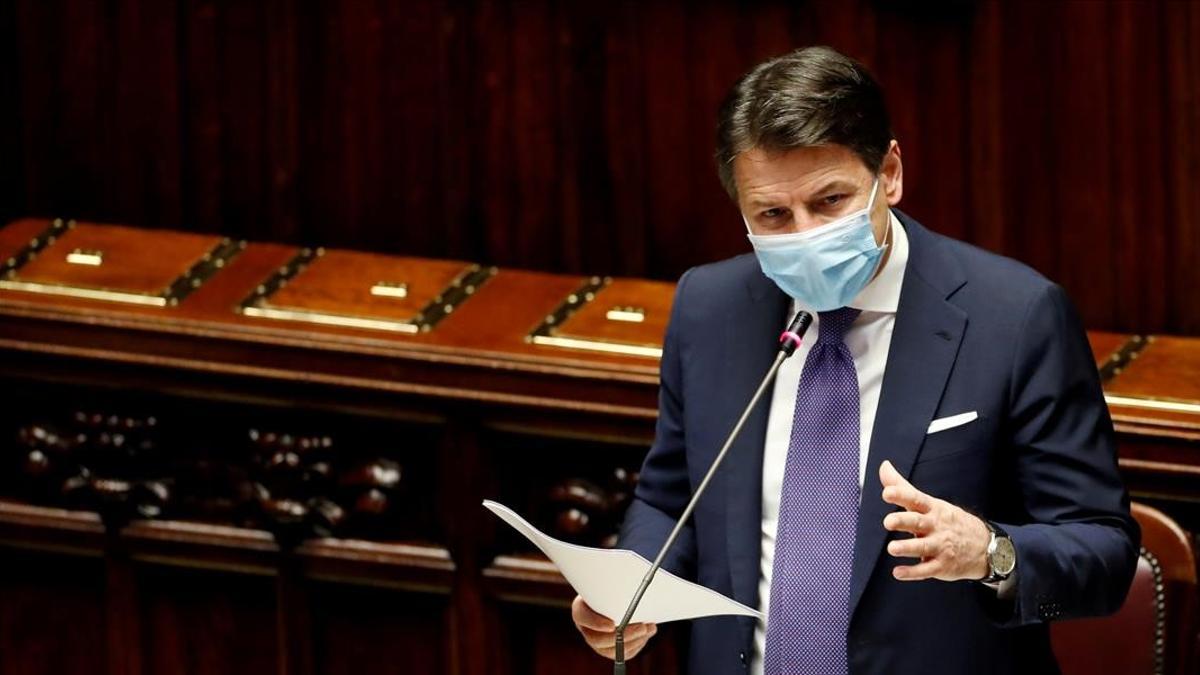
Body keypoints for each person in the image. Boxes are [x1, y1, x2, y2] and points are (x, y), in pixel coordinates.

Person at [570, 46, 1138, 675]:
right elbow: (670, 499)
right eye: (773, 215)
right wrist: (631, 587)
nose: (805, 234)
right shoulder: (710, 308)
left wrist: (991, 551)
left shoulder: (1016, 317)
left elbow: (1103, 551)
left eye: (831, 201)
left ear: (889, 172)